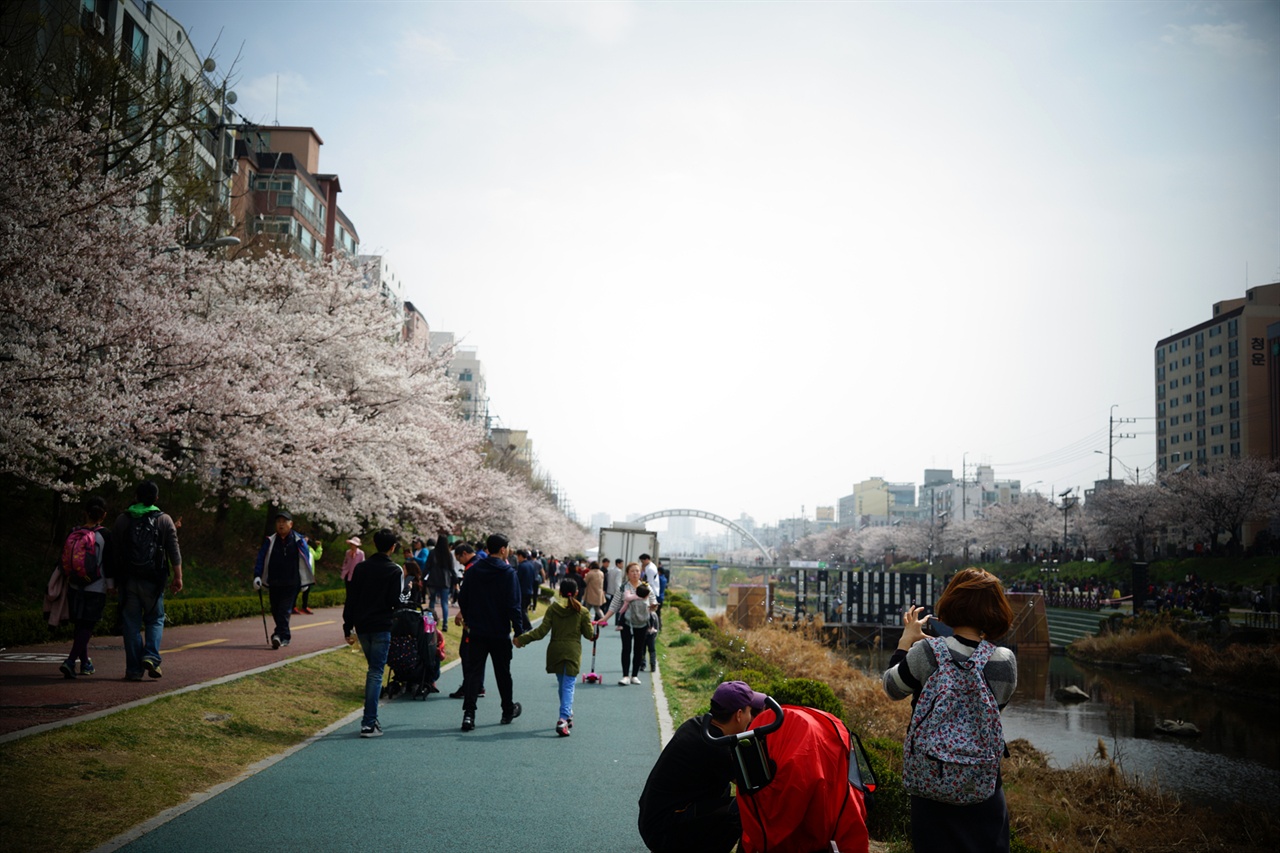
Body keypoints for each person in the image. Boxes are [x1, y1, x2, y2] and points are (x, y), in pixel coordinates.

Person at [882, 567, 1018, 853]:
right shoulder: (1005, 662)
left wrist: (906, 643)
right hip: (984, 786)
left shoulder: (927, 654)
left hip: (932, 782)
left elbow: (891, 688)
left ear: (951, 603)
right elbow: (994, 706)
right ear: (997, 610)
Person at [637, 681, 763, 852]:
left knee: (724, 789)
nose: (751, 718)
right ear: (739, 715)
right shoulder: (716, 748)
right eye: (750, 711)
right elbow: (755, 785)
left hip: (654, 820)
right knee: (743, 811)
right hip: (664, 833)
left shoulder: (699, 725)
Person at [112, 481, 183, 680]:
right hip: (153, 580)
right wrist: (178, 577)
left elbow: (114, 553)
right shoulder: (164, 520)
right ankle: (151, 656)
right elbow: (174, 552)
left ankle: (134, 670)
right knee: (155, 619)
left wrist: (113, 581)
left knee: (131, 624)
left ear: (136, 496)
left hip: (128, 580)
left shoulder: (122, 520)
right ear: (156, 498)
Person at [456, 533, 522, 731]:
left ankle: (469, 714)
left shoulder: (474, 571)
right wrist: (518, 631)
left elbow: (463, 598)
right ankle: (507, 710)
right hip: (499, 631)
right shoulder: (508, 573)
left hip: (476, 630)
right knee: (503, 673)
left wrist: (468, 619)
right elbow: (514, 605)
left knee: (473, 673)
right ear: (503, 549)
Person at [342, 528, 404, 738]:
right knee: (376, 673)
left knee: (373, 670)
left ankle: (371, 719)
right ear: (392, 547)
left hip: (362, 626)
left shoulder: (361, 568)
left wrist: (347, 626)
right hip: (382, 626)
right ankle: (368, 722)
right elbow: (396, 602)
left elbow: (351, 598)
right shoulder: (394, 570)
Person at [513, 578, 595, 736]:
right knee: (568, 686)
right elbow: (588, 635)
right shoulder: (582, 611)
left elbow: (541, 632)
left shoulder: (553, 609)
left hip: (555, 650)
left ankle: (568, 713)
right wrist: (591, 628)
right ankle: (563, 719)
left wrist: (522, 639)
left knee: (562, 684)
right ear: (577, 592)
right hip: (572, 651)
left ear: (560, 592)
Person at [59, 496, 111, 679]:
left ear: (85, 513)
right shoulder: (105, 535)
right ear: (104, 515)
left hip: (74, 584)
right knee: (88, 625)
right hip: (96, 586)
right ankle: (71, 661)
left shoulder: (74, 532)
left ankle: (86, 663)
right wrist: (111, 586)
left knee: (80, 624)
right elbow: (109, 564)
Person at [253, 511, 313, 649]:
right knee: (275, 609)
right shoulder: (271, 540)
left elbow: (306, 560)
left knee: (284, 610)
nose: (281, 524)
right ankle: (284, 635)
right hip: (274, 581)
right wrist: (257, 575)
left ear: (291, 524)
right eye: (278, 521)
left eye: (284, 521)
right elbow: (261, 558)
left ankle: (278, 635)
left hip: (292, 582)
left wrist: (306, 581)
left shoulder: (298, 540)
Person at [596, 562, 657, 685]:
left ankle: (634, 675)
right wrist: (604, 618)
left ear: (641, 573)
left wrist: (652, 607)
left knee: (639, 649)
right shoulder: (623, 588)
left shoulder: (646, 587)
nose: (635, 573)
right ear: (628, 574)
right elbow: (614, 605)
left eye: (637, 571)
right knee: (626, 648)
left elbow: (653, 602)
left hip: (642, 621)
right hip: (626, 622)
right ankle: (625, 676)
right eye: (632, 571)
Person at [448, 541, 481, 699]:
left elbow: (470, 594)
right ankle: (478, 685)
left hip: (472, 618)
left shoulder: (471, 568)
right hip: (482, 617)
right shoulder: (482, 563)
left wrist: (462, 612)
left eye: (459, 558)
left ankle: (469, 686)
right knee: (477, 654)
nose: (459, 561)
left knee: (466, 652)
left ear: (465, 554)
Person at [425, 529, 457, 629]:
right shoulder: (448, 554)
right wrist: (455, 580)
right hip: (445, 581)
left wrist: (422, 577)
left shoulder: (432, 553)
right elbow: (452, 569)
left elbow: (427, 567)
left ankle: (430, 624)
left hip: (433, 580)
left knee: (432, 602)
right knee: (444, 603)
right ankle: (445, 624)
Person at [295, 534, 323, 615]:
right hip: (300, 573)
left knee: (307, 591)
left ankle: (304, 606)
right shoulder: (298, 548)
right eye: (304, 538)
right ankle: (293, 606)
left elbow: (316, 557)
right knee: (296, 590)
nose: (305, 540)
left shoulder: (310, 549)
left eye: (306, 539)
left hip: (309, 573)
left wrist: (319, 547)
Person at [515, 548, 542, 633]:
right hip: (529, 590)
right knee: (524, 609)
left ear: (520, 556)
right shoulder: (531, 565)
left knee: (521, 609)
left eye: (517, 557)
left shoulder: (521, 566)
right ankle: (524, 625)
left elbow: (517, 579)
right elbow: (534, 578)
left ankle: (527, 625)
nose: (517, 559)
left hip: (522, 590)